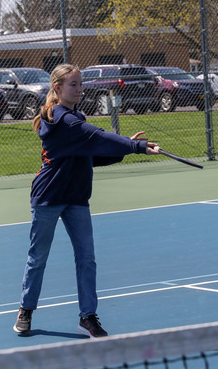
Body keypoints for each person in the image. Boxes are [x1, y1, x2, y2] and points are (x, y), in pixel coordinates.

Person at [14, 63, 160, 338]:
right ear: (57, 88)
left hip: (77, 197)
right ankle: (26, 309)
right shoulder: (62, 119)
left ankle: (87, 317)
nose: (80, 89)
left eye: (81, 84)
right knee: (38, 258)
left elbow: (90, 154)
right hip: (49, 196)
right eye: (74, 85)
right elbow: (96, 136)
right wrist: (136, 147)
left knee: (87, 259)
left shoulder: (75, 117)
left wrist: (126, 149)